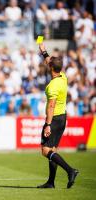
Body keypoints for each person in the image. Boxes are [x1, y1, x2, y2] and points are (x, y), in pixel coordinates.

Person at [37, 43, 79, 189]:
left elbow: (51, 106)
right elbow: (51, 61)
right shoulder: (63, 76)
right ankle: (51, 182)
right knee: (53, 150)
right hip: (63, 117)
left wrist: (48, 124)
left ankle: (70, 170)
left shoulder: (52, 86)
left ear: (50, 68)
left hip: (54, 119)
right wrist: (43, 51)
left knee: (45, 151)